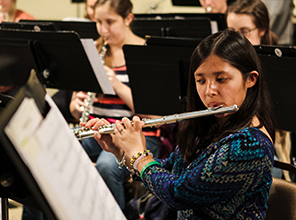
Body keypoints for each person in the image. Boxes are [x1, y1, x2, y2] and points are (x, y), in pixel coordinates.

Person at [86, 29, 275, 219]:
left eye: (221, 79)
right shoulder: (210, 127)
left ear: (250, 79)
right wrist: (121, 150)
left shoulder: (250, 145)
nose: (209, 90)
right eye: (200, 80)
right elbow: (170, 169)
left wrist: (139, 156)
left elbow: (178, 193)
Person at [70, 0, 161, 212]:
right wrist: (76, 107)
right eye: (98, 22)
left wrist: (117, 85)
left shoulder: (145, 52)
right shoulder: (93, 50)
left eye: (110, 22)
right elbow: (75, 109)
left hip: (137, 134)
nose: (103, 29)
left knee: (106, 166)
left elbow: (154, 114)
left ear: (128, 18)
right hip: (98, 131)